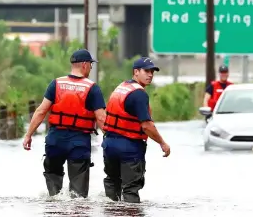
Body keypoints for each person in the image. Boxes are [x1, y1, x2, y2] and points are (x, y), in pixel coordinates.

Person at [22, 49, 107, 198]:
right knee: (78, 197)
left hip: (55, 140)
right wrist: (111, 137)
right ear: (85, 65)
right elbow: (101, 118)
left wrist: (28, 135)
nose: (91, 68)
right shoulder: (92, 88)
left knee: (54, 193)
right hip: (79, 142)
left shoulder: (56, 84)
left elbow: (41, 111)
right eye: (91, 65)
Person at [102, 57, 171, 203]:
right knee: (130, 189)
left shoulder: (122, 87)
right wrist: (162, 143)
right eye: (146, 71)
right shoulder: (139, 94)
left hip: (109, 144)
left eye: (152, 72)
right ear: (136, 72)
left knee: (112, 184)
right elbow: (146, 126)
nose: (150, 74)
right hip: (129, 146)